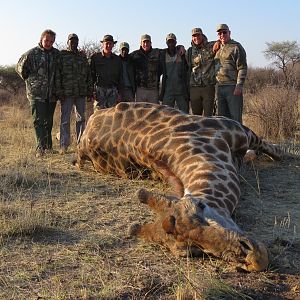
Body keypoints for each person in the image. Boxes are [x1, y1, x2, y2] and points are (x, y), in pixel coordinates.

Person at [16, 29, 61, 157]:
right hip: (36, 94)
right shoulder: (32, 53)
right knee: (38, 121)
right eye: (47, 40)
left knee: (49, 122)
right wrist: (30, 81)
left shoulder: (56, 54)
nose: (49, 43)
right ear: (41, 39)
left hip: (51, 94)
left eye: (52, 41)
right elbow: (19, 68)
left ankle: (48, 147)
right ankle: (40, 148)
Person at [58, 33, 93, 154]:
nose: (73, 43)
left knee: (81, 119)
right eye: (71, 41)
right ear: (67, 42)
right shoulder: (62, 55)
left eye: (75, 41)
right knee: (65, 119)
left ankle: (80, 145)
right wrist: (59, 91)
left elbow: (88, 75)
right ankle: (64, 145)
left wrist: (89, 91)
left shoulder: (82, 57)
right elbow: (58, 74)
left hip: (80, 92)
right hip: (66, 93)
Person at [214, 24, 247, 123]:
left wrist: (239, 85)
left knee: (235, 119)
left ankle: (239, 138)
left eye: (224, 32)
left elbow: (242, 67)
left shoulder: (236, 46)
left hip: (232, 87)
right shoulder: (217, 48)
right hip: (219, 87)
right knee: (222, 120)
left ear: (229, 33)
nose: (222, 35)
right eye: (220, 33)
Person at [186, 28, 216, 116]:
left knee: (208, 117)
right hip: (194, 88)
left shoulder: (211, 46)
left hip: (208, 87)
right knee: (196, 117)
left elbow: (222, 41)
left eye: (198, 35)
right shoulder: (189, 51)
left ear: (202, 35)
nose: (196, 37)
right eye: (194, 36)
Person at [90, 35, 122, 109]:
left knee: (111, 115)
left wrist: (119, 93)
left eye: (110, 44)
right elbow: (91, 76)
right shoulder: (95, 57)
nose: (108, 45)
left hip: (112, 91)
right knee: (98, 115)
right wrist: (92, 91)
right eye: (106, 43)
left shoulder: (117, 59)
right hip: (99, 90)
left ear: (113, 45)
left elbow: (120, 77)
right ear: (103, 44)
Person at [159, 33, 189, 113]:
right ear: (166, 43)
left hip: (181, 91)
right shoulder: (162, 54)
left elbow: (188, 68)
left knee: (185, 114)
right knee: (165, 114)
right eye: (169, 42)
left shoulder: (182, 53)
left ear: (176, 42)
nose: (171, 44)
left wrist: (181, 46)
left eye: (173, 42)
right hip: (168, 91)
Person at [130, 34, 162, 103]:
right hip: (140, 89)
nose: (145, 44)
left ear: (151, 43)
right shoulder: (134, 55)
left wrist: (180, 47)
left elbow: (169, 50)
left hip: (153, 90)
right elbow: (124, 57)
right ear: (141, 43)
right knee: (140, 112)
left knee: (154, 112)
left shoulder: (157, 53)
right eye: (144, 42)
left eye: (147, 42)